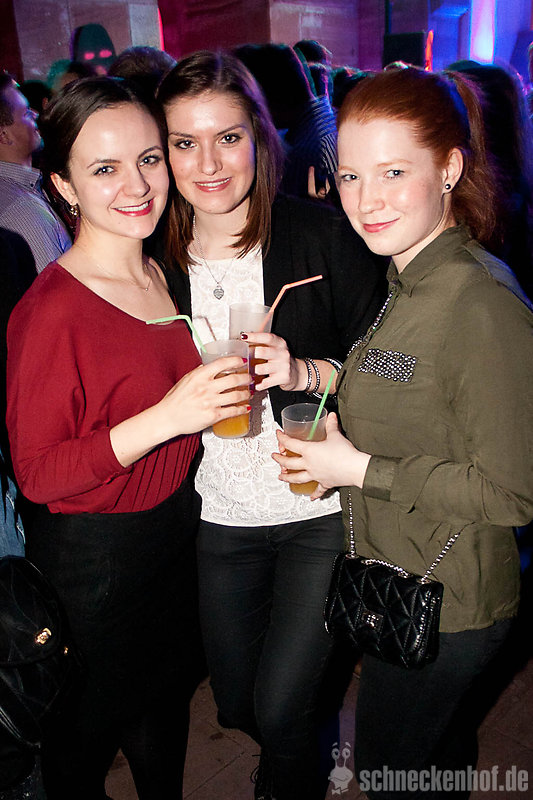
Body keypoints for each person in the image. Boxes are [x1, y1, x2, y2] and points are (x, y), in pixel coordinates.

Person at [274, 66, 533, 800]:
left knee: (392, 767)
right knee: (432, 755)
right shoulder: (405, 278)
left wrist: (357, 469)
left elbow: (514, 493)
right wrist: (307, 374)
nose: (366, 201)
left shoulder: (479, 305)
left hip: (450, 602)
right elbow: (406, 382)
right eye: (351, 176)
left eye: (394, 172)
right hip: (401, 574)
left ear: (448, 167)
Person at [6, 75, 251, 800]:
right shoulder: (51, 311)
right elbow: (39, 474)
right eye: (105, 168)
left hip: (173, 533)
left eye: (148, 158)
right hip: (98, 562)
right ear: (64, 185)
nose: (138, 185)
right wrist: (170, 417)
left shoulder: (159, 269)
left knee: (161, 704)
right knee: (84, 740)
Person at [156, 50, 385, 800]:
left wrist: (305, 371)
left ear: (258, 135)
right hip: (219, 515)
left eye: (227, 137)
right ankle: (296, 756)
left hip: (315, 508)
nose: (208, 164)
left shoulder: (320, 238)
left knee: (284, 709)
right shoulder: (154, 261)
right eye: (185, 143)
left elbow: (392, 370)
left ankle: (289, 776)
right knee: (237, 704)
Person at [0, 73, 71, 273]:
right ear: (3, 135)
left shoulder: (21, 191)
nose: (36, 114)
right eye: (26, 113)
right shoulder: (23, 210)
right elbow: (55, 287)